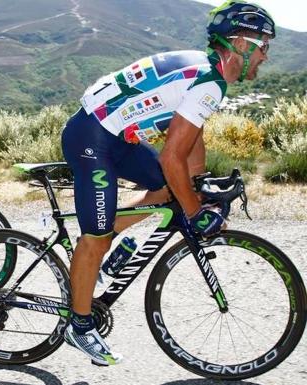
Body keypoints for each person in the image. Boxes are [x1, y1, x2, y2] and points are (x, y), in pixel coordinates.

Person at [60, 0, 274, 366]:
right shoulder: (211, 80)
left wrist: (199, 184)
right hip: (92, 139)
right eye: (264, 46)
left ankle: (102, 239)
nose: (265, 56)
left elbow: (191, 137)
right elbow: (172, 157)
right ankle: (78, 326)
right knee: (95, 238)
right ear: (241, 44)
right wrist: (194, 212)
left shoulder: (206, 71)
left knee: (167, 187)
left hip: (114, 135)